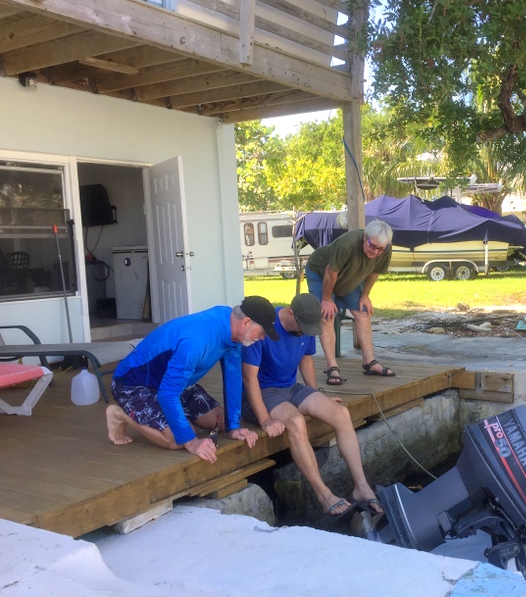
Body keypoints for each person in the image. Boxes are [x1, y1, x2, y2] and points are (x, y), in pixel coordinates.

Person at [241, 292, 383, 518]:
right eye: (303, 326)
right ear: (290, 313)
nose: (305, 332)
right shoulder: (265, 325)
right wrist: (264, 419)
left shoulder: (306, 326)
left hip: (291, 387)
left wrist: (316, 396)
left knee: (341, 414)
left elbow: (306, 360)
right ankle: (324, 495)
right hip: (263, 392)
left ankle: (361, 487)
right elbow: (250, 378)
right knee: (296, 422)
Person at [106, 296, 280, 463]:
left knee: (220, 421)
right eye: (262, 332)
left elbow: (233, 375)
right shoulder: (196, 343)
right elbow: (167, 393)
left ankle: (173, 417)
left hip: (176, 383)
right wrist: (191, 441)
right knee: (178, 439)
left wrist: (233, 427)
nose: (262, 338)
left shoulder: (232, 327)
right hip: (134, 384)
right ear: (246, 322)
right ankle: (119, 415)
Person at [305, 218, 396, 385]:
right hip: (320, 272)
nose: (375, 252)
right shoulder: (346, 245)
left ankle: (369, 363)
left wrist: (365, 295)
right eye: (372, 246)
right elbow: (330, 272)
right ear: (365, 237)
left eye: (380, 249)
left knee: (363, 312)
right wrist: (326, 299)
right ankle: (333, 367)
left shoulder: (385, 248)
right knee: (327, 315)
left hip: (347, 277)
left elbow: (375, 272)